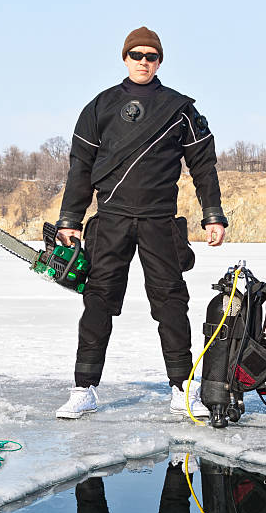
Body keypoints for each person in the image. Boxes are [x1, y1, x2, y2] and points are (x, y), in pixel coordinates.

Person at [55, 26, 227, 419]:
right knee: (97, 302)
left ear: (160, 61)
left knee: (170, 303)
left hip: (159, 222)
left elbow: (204, 166)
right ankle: (84, 389)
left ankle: (183, 388)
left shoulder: (180, 108)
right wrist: (71, 219)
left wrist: (213, 215)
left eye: (151, 56)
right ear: (125, 58)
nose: (144, 62)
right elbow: (80, 169)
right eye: (137, 55)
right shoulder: (100, 106)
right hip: (110, 221)